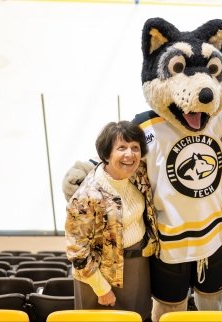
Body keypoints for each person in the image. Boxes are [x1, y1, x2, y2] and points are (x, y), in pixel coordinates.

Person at [65, 120, 159, 322]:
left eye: (135, 148)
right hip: (100, 274)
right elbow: (77, 251)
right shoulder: (86, 196)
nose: (130, 154)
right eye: (122, 148)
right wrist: (101, 288)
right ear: (106, 154)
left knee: (138, 317)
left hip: (137, 265)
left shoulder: (138, 174)